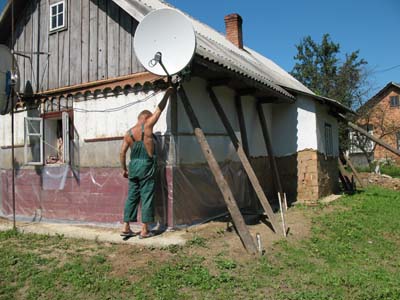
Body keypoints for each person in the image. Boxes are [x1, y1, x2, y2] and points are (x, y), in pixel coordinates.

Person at [119, 89, 173, 239]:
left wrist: (124, 169)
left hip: (133, 166)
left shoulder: (128, 133)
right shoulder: (147, 126)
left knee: (132, 196)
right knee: (147, 196)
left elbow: (122, 152)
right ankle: (144, 230)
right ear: (146, 118)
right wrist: (167, 94)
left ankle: (126, 227)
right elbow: (159, 110)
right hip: (146, 166)